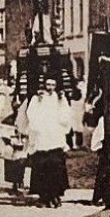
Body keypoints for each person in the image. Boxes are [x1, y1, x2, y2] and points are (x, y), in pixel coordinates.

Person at [23, 76, 73, 207]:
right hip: (42, 137)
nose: (50, 87)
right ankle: (44, 197)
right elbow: (31, 114)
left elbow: (65, 116)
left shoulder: (60, 98)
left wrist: (62, 102)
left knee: (56, 167)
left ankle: (55, 195)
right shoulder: (37, 98)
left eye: (52, 85)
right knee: (42, 168)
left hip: (55, 137)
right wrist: (38, 127)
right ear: (44, 85)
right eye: (48, 84)